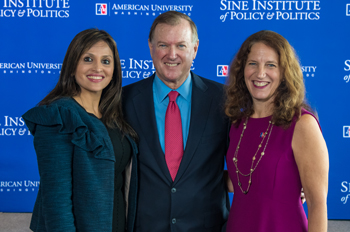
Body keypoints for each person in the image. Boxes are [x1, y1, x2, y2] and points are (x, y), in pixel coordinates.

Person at [122, 11, 230, 232]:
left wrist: (286, 184)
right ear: (151, 47)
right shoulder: (123, 101)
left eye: (181, 45)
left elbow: (249, 155)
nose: (172, 55)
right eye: (163, 45)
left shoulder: (224, 100)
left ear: (195, 49)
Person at [22, 29, 138, 232]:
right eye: (88, 59)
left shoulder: (114, 116)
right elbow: (56, 202)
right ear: (72, 64)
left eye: (106, 61)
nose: (97, 68)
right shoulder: (59, 116)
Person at [224, 30, 329, 232]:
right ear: (242, 70)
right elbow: (242, 180)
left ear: (284, 73)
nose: (260, 73)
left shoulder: (302, 124)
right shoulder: (238, 123)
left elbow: (317, 204)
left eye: (271, 65)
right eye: (252, 63)